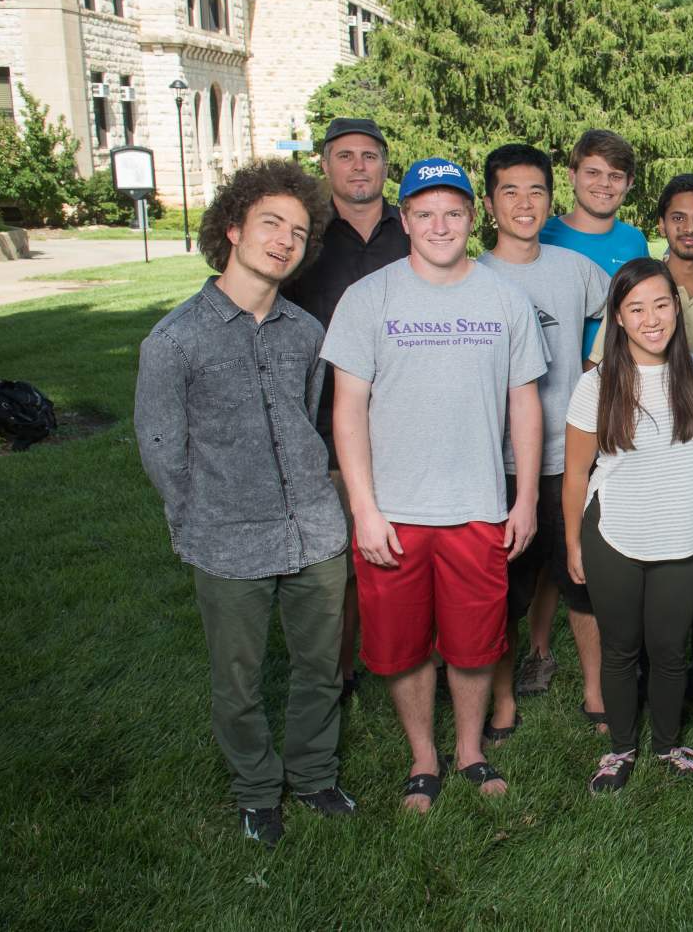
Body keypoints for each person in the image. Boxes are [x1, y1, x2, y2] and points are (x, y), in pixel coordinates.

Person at [134, 159, 350, 847]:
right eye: (270, 224)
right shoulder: (173, 342)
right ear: (232, 228)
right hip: (228, 538)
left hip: (314, 531)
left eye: (297, 230)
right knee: (240, 679)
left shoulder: (307, 334)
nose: (285, 240)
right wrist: (202, 520)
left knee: (322, 667)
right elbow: (163, 450)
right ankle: (258, 791)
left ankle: (314, 775)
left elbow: (317, 420)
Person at [322, 158, 546, 813]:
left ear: (473, 218)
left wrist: (525, 496)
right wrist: (364, 509)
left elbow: (525, 403)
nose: (439, 225)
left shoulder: (504, 298)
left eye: (452, 212)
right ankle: (424, 756)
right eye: (425, 213)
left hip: (477, 503)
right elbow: (347, 410)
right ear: (405, 220)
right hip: (394, 510)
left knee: (475, 642)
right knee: (400, 646)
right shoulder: (369, 298)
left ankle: (471, 749)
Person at [591, 175, 693, 726]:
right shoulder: (641, 289)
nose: (689, 228)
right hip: (645, 479)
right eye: (677, 218)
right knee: (647, 595)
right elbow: (601, 378)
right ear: (660, 224)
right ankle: (638, 687)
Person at [564, 258, 693, 793]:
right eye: (636, 308)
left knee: (672, 649)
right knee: (621, 648)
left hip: (682, 532)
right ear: (619, 319)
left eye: (661, 303)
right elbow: (576, 475)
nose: (652, 318)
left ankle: (668, 743)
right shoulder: (597, 385)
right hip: (614, 534)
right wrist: (572, 545)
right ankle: (620, 748)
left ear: (676, 307)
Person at [476, 144, 609, 739]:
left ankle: (595, 688)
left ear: (550, 200)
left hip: (571, 457)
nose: (525, 204)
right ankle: (503, 700)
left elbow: (630, 304)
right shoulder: (473, 277)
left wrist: (594, 362)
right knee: (505, 590)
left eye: (536, 191)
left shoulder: (572, 268)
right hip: (495, 466)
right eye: (511, 191)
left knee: (582, 579)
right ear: (489, 203)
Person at [282, 117, 410, 703]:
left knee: (404, 554)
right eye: (345, 156)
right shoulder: (305, 238)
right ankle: (340, 673)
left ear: (386, 164)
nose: (359, 166)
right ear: (326, 165)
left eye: (370, 155)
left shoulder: (411, 231)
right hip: (326, 421)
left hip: (409, 419)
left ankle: (408, 661)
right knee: (337, 561)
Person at [540, 129, 651, 355]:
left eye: (616, 176)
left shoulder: (634, 241)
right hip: (554, 381)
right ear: (572, 175)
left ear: (629, 183)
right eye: (592, 172)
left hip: (618, 378)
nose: (604, 184)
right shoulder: (541, 236)